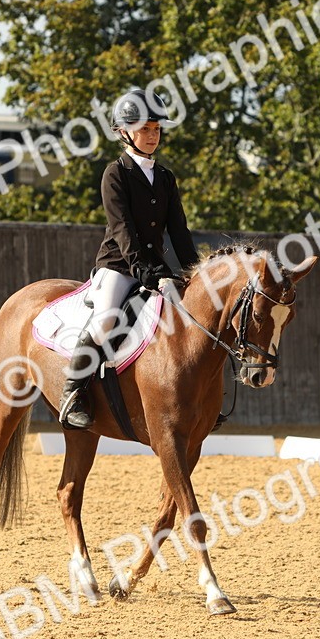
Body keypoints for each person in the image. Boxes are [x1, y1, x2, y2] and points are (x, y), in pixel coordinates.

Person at [58, 88, 201, 430]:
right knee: (106, 320)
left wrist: (196, 273)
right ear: (124, 132)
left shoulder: (165, 177)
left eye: (156, 129)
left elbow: (179, 232)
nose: (152, 136)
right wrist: (147, 273)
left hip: (156, 269)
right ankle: (72, 392)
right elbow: (122, 230)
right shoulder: (115, 173)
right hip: (119, 266)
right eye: (144, 129)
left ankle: (199, 400)